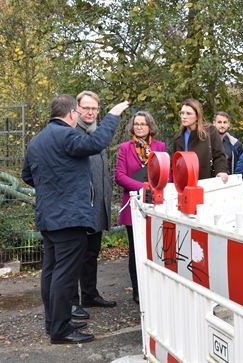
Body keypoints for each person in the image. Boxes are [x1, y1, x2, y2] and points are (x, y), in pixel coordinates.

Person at [22, 94, 129, 344]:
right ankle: (61, 330)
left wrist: (54, 187)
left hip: (49, 217)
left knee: (50, 272)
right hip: (69, 218)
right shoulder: (66, 134)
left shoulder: (37, 140)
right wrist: (113, 115)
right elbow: (95, 144)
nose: (80, 117)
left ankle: (54, 323)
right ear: (72, 113)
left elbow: (28, 175)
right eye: (79, 113)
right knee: (64, 275)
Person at [69, 91, 116, 322]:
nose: (90, 112)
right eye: (86, 108)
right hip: (80, 207)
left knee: (91, 253)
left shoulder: (97, 132)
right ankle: (72, 303)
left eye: (94, 109)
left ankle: (89, 295)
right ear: (76, 109)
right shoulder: (71, 134)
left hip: (97, 205)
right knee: (75, 256)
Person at [115, 111, 167, 304]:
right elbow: (119, 176)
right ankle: (138, 290)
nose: (139, 127)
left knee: (156, 248)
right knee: (135, 250)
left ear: (150, 126)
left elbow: (167, 173)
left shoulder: (160, 147)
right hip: (133, 204)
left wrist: (156, 187)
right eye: (136, 124)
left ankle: (156, 287)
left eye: (143, 124)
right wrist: (143, 188)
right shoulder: (125, 148)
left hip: (156, 203)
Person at [173, 99, 228, 182]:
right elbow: (175, 164)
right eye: (182, 113)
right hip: (184, 183)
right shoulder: (178, 137)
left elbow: (219, 156)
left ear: (197, 116)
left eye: (188, 113)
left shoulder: (210, 131)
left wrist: (221, 171)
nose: (184, 116)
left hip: (205, 181)